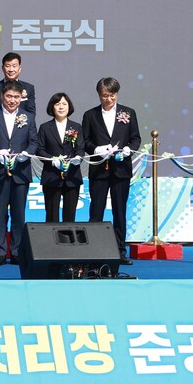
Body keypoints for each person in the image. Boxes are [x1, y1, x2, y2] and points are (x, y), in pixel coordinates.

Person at [82, 77, 141, 265]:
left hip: (121, 170)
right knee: (96, 210)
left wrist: (128, 150)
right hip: (99, 170)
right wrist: (97, 149)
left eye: (112, 95)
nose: (108, 99)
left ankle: (120, 251)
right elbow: (85, 141)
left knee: (119, 211)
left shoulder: (128, 113)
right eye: (104, 95)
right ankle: (93, 251)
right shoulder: (90, 115)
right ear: (99, 95)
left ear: (117, 93)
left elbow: (136, 138)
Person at [0, 81, 38, 265]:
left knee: (18, 215)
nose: (12, 100)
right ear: (2, 96)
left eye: (16, 97)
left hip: (20, 172)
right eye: (9, 96)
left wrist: (26, 153)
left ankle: (17, 252)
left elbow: (34, 142)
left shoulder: (28, 117)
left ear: (21, 98)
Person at [37, 92, 85, 224]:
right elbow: (39, 149)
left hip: (72, 176)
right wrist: (53, 160)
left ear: (69, 107)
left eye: (64, 104)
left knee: (70, 217)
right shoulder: (45, 127)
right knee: (52, 216)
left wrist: (78, 158)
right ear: (52, 107)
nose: (61, 107)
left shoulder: (76, 127)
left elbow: (81, 148)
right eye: (57, 104)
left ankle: (68, 238)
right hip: (51, 176)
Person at [0, 52, 35, 122]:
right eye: (8, 66)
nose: (11, 69)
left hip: (20, 126)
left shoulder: (29, 88)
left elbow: (31, 113)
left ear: (19, 68)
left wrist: (19, 122)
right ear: (2, 68)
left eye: (14, 66)